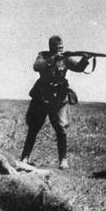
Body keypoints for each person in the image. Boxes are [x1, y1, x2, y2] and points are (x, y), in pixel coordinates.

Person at [19, 36, 90, 170]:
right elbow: (36, 66)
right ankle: (25, 157)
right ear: (51, 48)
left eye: (62, 48)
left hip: (59, 97)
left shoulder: (66, 58)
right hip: (42, 95)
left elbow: (79, 68)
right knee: (34, 127)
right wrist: (52, 59)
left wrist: (85, 59)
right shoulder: (43, 55)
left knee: (61, 128)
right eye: (58, 49)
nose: (60, 51)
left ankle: (63, 160)